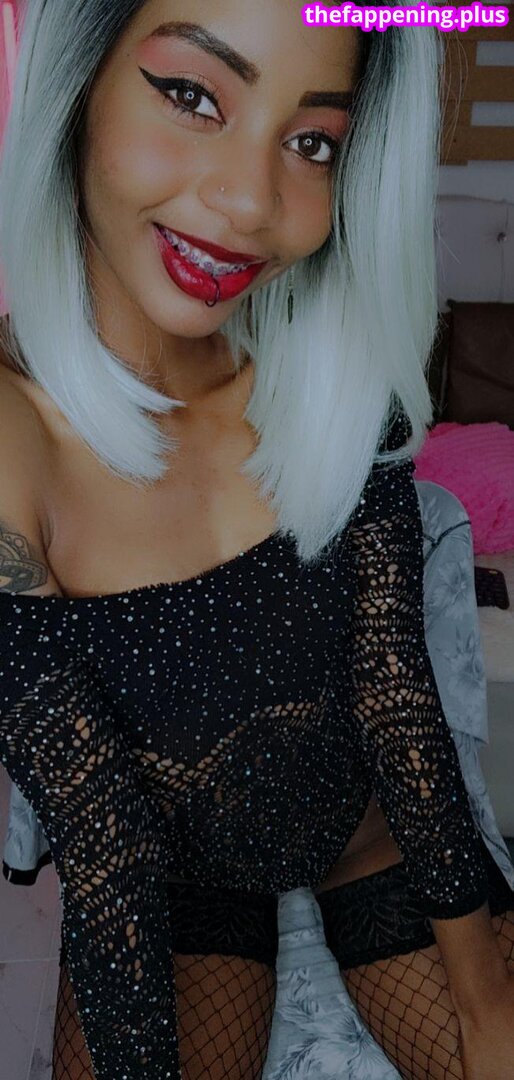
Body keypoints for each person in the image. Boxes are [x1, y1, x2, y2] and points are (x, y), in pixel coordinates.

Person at [0, 1, 512, 1078]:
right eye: (192, 95)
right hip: (179, 883)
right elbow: (106, 842)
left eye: (313, 142)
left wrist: (485, 1004)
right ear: (78, 87)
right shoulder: (9, 442)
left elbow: (393, 697)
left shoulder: (333, 376)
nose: (247, 202)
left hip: (369, 840)